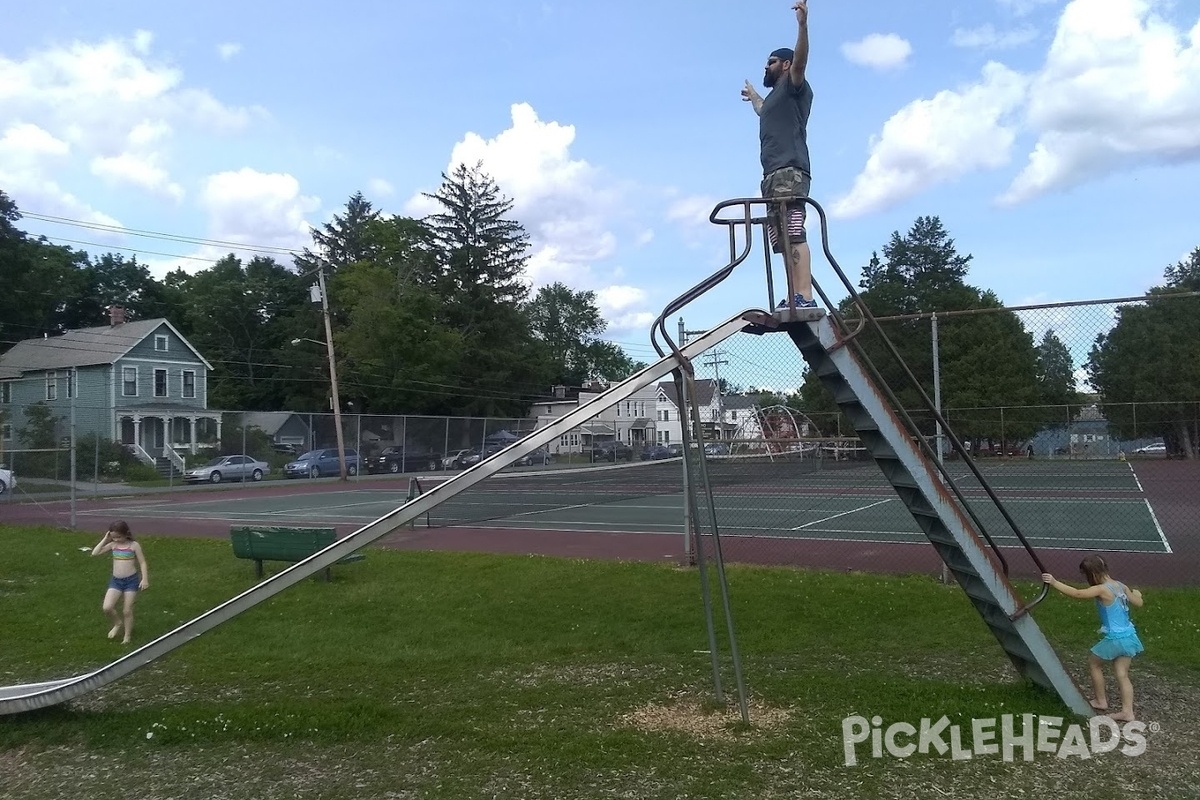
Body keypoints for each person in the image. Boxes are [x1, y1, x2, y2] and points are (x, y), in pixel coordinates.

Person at [741, 1, 816, 309]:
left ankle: (805, 296)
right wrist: (754, 97)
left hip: (790, 170)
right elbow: (763, 110)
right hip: (771, 175)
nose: (766, 67)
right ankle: (793, 296)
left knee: (794, 232)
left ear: (784, 65)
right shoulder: (773, 100)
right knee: (781, 239)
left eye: (772, 62)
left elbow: (800, 62)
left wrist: (802, 25)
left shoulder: (794, 86)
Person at [1042, 555, 1144, 721]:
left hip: (1115, 638)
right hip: (1130, 637)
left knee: (1094, 663)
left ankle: (1100, 700)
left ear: (1093, 574)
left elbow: (1078, 593)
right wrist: (1136, 593)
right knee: (1122, 673)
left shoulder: (1102, 589)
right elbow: (1138, 602)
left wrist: (1054, 582)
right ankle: (1127, 712)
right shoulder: (1120, 585)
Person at [91, 520, 149, 644]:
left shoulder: (134, 545)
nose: (116, 540)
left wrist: (145, 579)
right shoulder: (113, 545)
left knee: (127, 610)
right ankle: (117, 623)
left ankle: (127, 636)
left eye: (119, 537)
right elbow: (95, 553)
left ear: (126, 533)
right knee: (107, 607)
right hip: (116, 581)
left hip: (131, 581)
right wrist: (105, 539)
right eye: (113, 537)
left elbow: (142, 562)